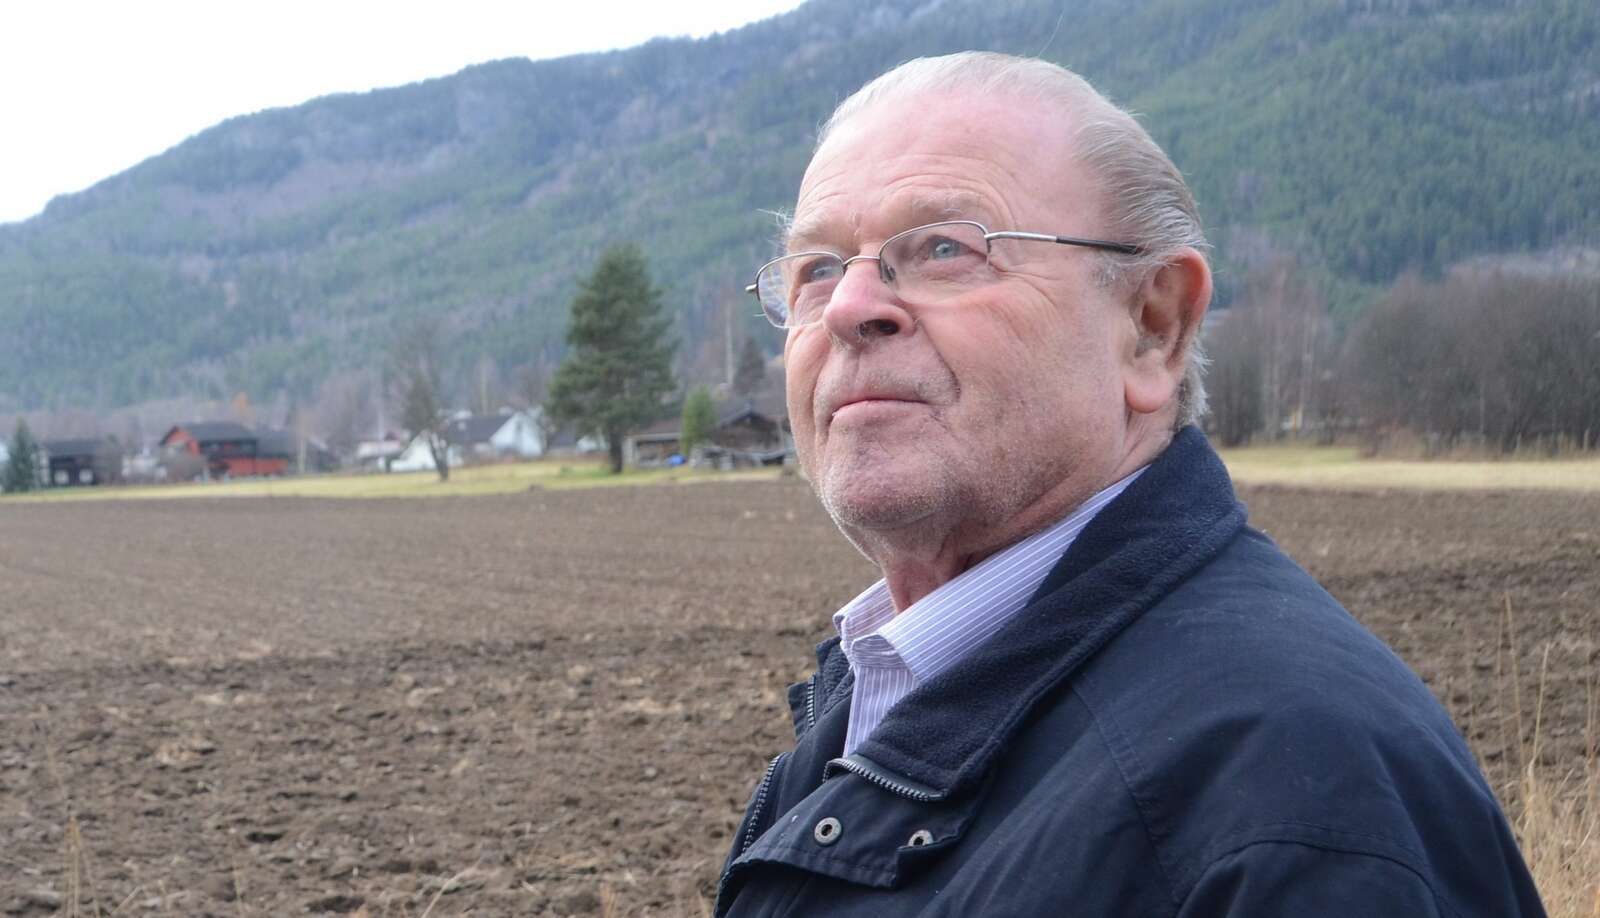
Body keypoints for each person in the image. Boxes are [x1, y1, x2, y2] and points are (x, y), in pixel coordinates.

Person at [715, 52, 1544, 916]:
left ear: (1154, 327)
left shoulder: (1294, 793)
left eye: (945, 249)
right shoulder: (887, 685)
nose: (849, 308)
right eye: (817, 268)